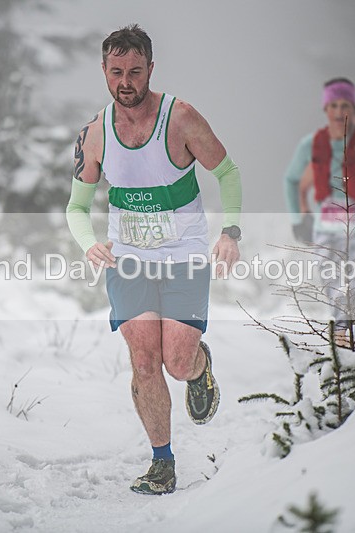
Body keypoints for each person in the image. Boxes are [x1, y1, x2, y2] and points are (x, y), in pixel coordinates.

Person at [65, 24, 242, 495]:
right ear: (104, 70)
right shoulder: (95, 133)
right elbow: (76, 207)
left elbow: (227, 171)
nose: (126, 82)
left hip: (183, 256)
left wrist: (230, 231)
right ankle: (162, 462)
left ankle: (199, 368)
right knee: (144, 361)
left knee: (176, 361)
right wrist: (89, 244)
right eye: (116, 71)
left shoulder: (180, 117)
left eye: (135, 71)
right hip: (129, 260)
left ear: (150, 69)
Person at [283, 78, 355, 346]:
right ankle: (344, 354)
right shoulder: (312, 144)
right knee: (335, 294)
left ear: (353, 107)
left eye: (345, 105)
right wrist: (298, 219)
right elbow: (291, 180)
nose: (338, 112)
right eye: (333, 105)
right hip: (326, 230)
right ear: (325, 109)